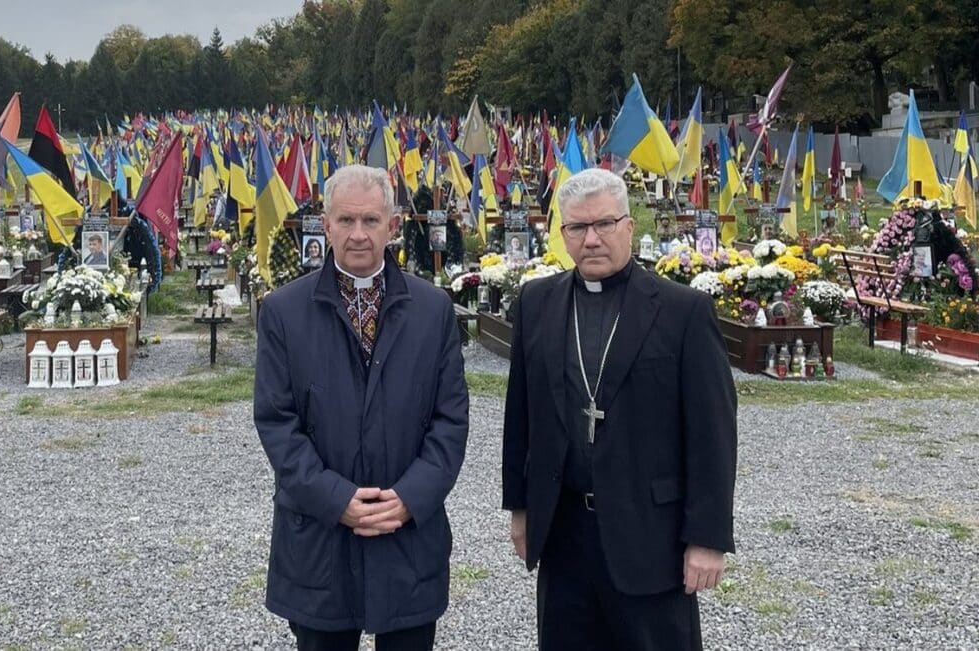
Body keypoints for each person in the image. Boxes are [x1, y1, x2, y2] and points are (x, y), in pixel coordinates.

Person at [502, 168, 737, 650]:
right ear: (562, 233)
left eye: (604, 224)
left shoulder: (681, 311)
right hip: (565, 532)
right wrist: (521, 508)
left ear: (628, 226)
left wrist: (707, 537)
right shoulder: (537, 303)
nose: (592, 239)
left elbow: (713, 432)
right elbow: (521, 416)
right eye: (577, 228)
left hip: (651, 537)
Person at [254, 164, 469, 651]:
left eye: (370, 221)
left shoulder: (432, 309)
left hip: (407, 532)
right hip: (319, 535)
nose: (357, 235)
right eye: (345, 221)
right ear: (324, 224)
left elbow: (450, 420)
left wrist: (410, 497)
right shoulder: (284, 312)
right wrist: (335, 499)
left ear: (393, 226)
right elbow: (277, 422)